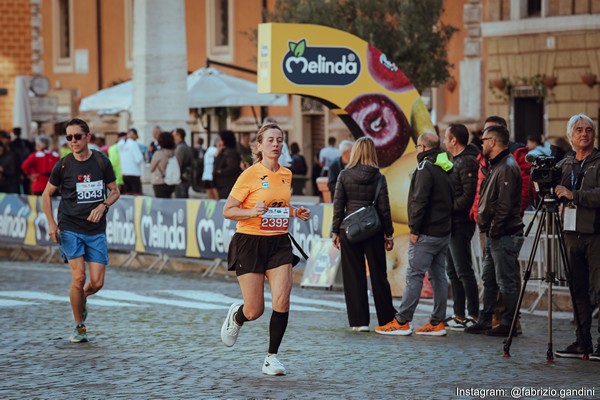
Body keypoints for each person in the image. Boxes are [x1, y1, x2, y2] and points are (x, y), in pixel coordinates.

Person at [220, 123, 311, 376]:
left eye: (279, 140)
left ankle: (272, 357)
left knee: (282, 299)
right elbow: (228, 210)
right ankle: (237, 317)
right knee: (255, 310)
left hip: (279, 242)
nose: (276, 144)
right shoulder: (249, 175)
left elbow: (279, 206)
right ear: (259, 146)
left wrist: (295, 212)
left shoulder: (286, 174)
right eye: (270, 140)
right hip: (249, 242)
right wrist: (251, 211)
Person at [41, 118, 120, 343]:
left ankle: (81, 298)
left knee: (96, 283)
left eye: (77, 136)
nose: (73, 141)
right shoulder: (63, 165)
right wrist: (51, 224)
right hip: (69, 227)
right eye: (69, 138)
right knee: (79, 276)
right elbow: (46, 194)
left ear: (88, 137)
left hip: (95, 230)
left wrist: (103, 205)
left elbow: (115, 191)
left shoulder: (101, 162)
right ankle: (79, 326)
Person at [375, 132, 454, 336]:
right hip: (443, 231)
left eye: (418, 146)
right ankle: (437, 322)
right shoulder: (445, 165)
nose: (417, 150)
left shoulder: (425, 167)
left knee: (414, 275)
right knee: (438, 277)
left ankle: (402, 320)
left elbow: (419, 201)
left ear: (424, 148)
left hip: (426, 232)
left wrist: (415, 229)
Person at [331, 137, 396, 332]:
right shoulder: (379, 177)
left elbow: (338, 206)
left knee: (353, 276)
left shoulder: (344, 175)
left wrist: (335, 231)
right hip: (374, 230)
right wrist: (389, 234)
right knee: (378, 275)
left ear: (355, 152)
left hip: (349, 230)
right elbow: (385, 209)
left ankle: (359, 322)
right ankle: (386, 320)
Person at [465, 124, 524, 337]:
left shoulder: (507, 166)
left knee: (505, 281)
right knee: (489, 279)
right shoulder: (496, 165)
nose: (481, 144)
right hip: (493, 232)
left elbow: (505, 205)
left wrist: (495, 229)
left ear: (492, 142)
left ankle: (509, 323)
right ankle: (485, 318)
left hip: (503, 233)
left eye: (483, 140)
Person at [554, 113, 600, 360]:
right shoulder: (566, 163)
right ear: (570, 136)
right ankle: (583, 342)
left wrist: (575, 195)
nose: (584, 133)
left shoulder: (599, 161)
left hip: (596, 233)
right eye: (579, 130)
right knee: (577, 290)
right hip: (571, 234)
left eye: (589, 130)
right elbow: (552, 189)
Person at [442, 123, 480, 331]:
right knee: (453, 271)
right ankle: (459, 314)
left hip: (461, 223)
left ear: (454, 140)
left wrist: (448, 208)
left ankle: (473, 314)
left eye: (446, 137)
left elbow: (468, 195)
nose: (444, 141)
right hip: (451, 222)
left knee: (463, 270)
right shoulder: (454, 160)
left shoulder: (467, 162)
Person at [213, 130, 242, 199]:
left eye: (221, 140)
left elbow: (232, 167)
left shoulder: (230, 153)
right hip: (222, 184)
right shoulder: (223, 152)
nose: (219, 142)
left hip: (227, 184)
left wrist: (220, 172)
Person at [150, 131, 177, 198]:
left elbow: (151, 168)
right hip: (171, 181)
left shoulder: (159, 153)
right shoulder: (174, 153)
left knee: (160, 202)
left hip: (159, 181)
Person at [117, 130, 144, 195]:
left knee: (127, 194)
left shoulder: (120, 144)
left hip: (124, 173)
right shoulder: (133, 144)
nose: (136, 138)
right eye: (136, 136)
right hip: (134, 173)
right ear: (133, 135)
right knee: (137, 194)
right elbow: (139, 159)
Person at [172, 128, 194, 198]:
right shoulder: (183, 146)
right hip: (184, 178)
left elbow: (178, 164)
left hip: (181, 179)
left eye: (174, 135)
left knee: (181, 198)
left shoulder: (181, 148)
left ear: (179, 136)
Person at [202, 136, 219, 200]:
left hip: (206, 175)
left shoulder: (208, 150)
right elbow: (216, 155)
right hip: (211, 175)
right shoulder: (214, 149)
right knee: (215, 195)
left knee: (210, 196)